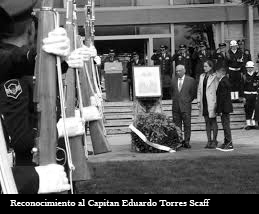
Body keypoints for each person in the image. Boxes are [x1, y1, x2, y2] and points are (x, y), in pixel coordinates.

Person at [0, 0, 97, 166]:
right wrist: (59, 130)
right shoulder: (13, 74)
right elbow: (20, 140)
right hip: (32, 172)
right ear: (31, 29)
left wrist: (66, 62)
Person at [171, 64, 197, 149]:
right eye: (177, 71)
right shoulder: (173, 80)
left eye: (180, 71)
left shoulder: (191, 80)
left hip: (186, 106)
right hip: (176, 107)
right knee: (177, 126)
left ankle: (186, 141)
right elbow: (172, 92)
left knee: (187, 125)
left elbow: (193, 94)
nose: (178, 72)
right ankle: (179, 141)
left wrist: (187, 101)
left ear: (184, 70)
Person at [197, 60, 219, 149]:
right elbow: (199, 89)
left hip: (212, 101)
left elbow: (217, 90)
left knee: (213, 121)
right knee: (207, 122)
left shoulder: (215, 76)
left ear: (211, 67)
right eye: (204, 66)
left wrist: (217, 103)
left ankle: (214, 141)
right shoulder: (202, 76)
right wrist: (198, 101)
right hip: (204, 101)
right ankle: (209, 141)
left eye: (206, 66)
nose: (204, 68)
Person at [215, 68, 234, 152]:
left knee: (226, 126)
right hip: (226, 107)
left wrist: (219, 110)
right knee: (225, 125)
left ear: (221, 73)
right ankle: (226, 142)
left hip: (224, 108)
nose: (216, 75)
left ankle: (229, 144)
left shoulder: (223, 82)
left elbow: (221, 98)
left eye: (216, 73)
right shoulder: (225, 80)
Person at [240, 61, 259, 130]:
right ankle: (248, 124)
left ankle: (253, 124)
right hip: (247, 95)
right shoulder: (244, 76)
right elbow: (241, 87)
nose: (250, 69)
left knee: (254, 109)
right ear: (246, 68)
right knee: (247, 109)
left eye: (251, 67)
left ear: (253, 68)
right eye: (248, 68)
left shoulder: (256, 76)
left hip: (254, 94)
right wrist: (243, 97)